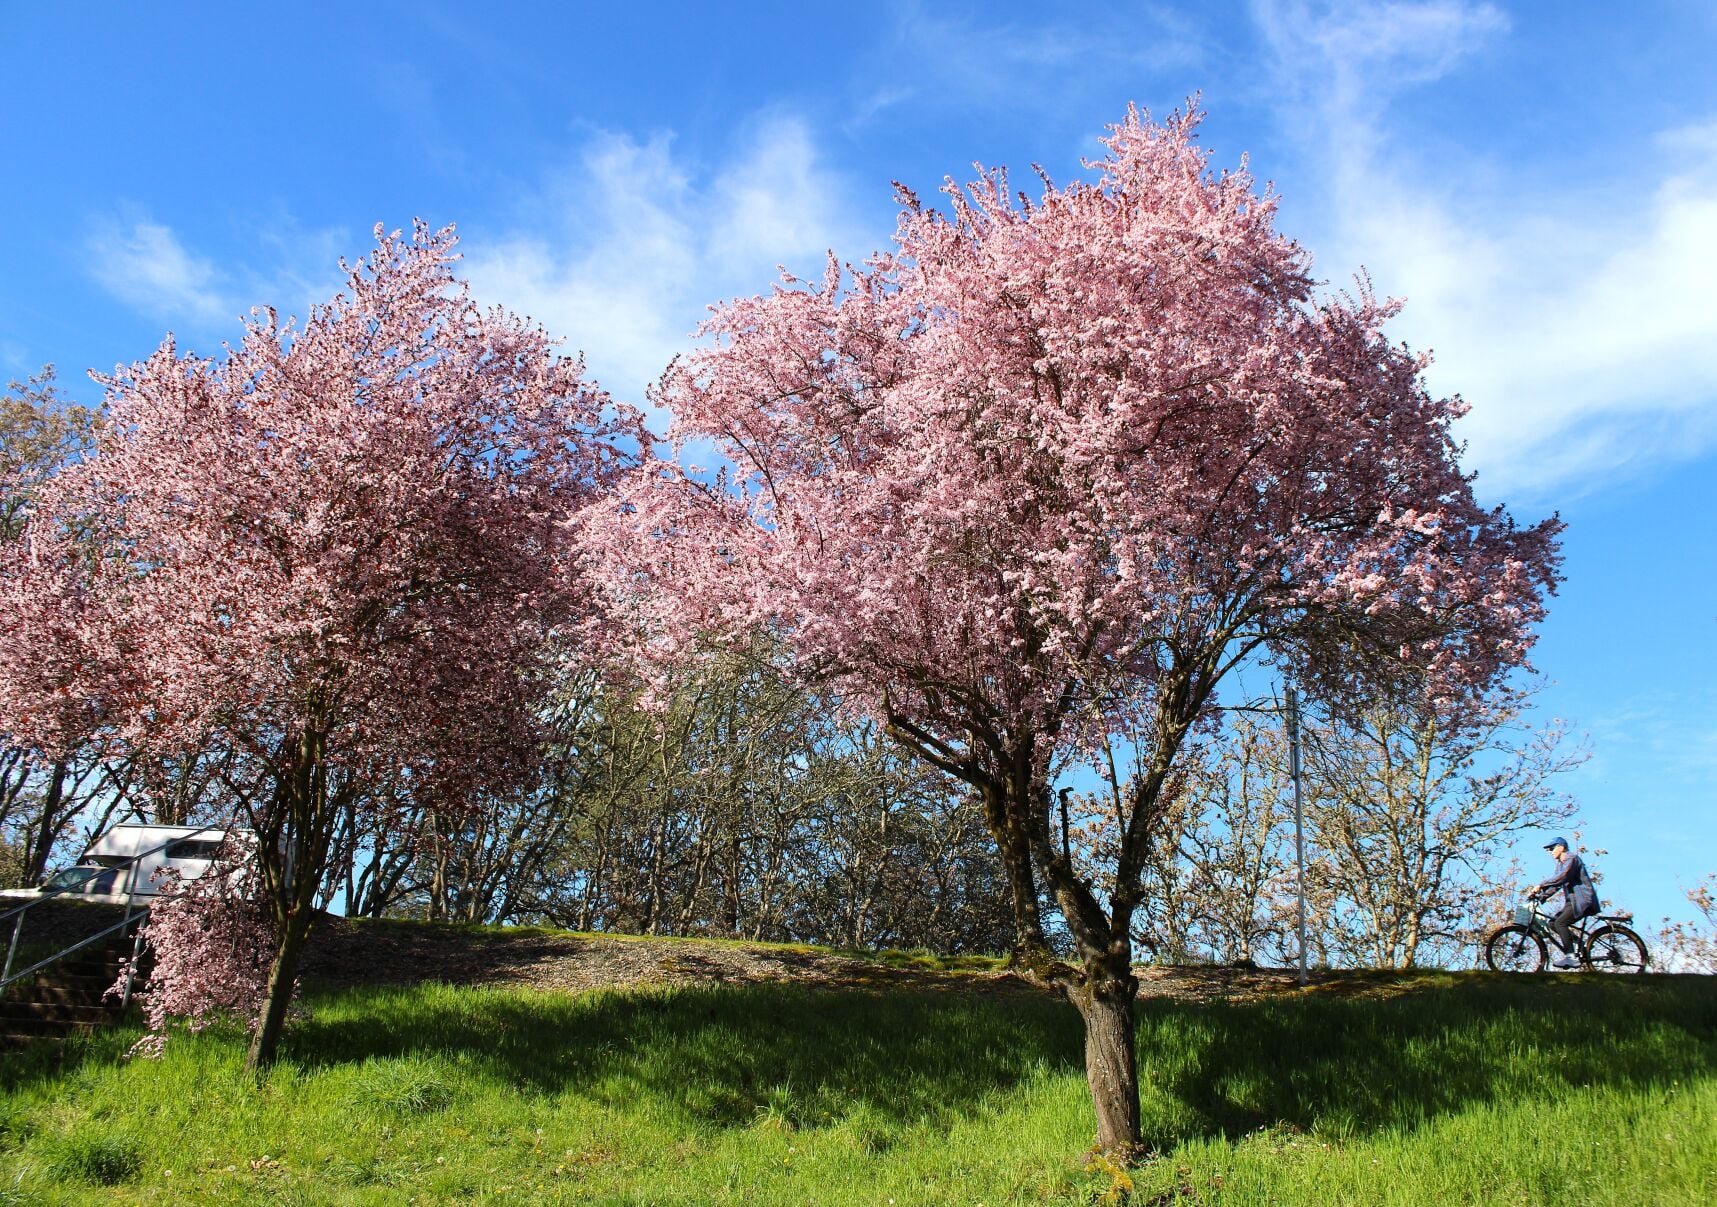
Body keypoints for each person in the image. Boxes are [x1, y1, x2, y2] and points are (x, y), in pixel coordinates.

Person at [1530, 837, 1600, 969]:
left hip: (1583, 900)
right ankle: (1581, 944)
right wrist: (1541, 896)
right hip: (1573, 901)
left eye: (1552, 848)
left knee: (1560, 923)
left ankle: (1571, 957)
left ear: (1561, 847)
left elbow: (1563, 877)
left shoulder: (1571, 858)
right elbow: (1556, 885)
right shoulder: (1560, 864)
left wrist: (1541, 885)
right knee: (1552, 923)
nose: (1550, 852)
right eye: (1548, 850)